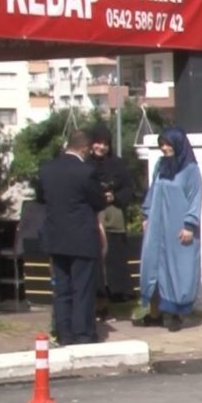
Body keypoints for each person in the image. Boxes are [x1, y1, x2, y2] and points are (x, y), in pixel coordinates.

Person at [37, 129, 107, 345]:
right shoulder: (86, 171)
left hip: (56, 237)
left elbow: (41, 198)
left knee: (62, 289)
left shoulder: (47, 169)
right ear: (85, 148)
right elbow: (98, 202)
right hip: (82, 238)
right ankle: (83, 333)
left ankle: (63, 332)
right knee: (83, 289)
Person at [135, 126, 202, 332]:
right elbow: (153, 190)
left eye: (168, 143)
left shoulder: (191, 170)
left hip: (179, 227)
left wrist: (190, 225)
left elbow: (196, 198)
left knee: (177, 270)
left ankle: (175, 314)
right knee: (153, 266)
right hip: (157, 225)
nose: (164, 148)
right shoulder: (161, 166)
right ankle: (155, 313)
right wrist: (146, 214)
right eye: (161, 144)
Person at [88, 122, 137, 316]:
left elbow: (129, 189)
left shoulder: (117, 164)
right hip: (92, 221)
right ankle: (97, 304)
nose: (101, 147)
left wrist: (113, 196)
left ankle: (112, 301)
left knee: (113, 262)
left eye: (105, 143)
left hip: (113, 220)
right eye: (98, 143)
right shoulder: (85, 164)